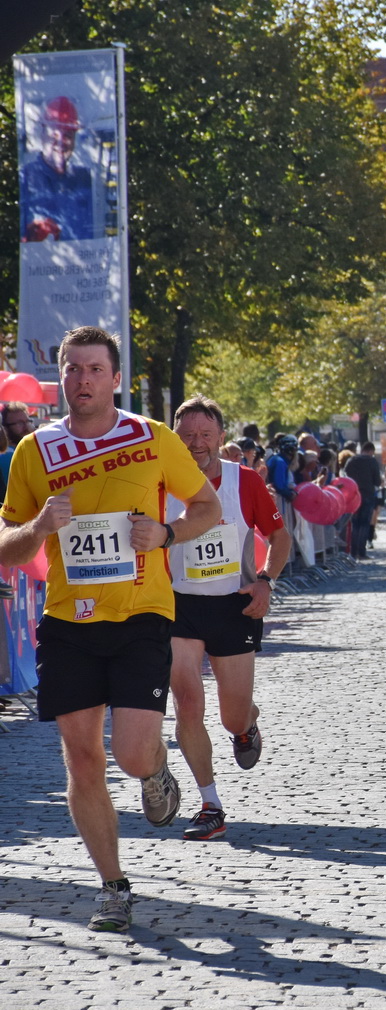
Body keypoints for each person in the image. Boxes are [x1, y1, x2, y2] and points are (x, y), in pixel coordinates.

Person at [0, 326, 222, 932]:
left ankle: (154, 767)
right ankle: (113, 886)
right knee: (81, 758)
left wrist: (168, 533)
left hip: (141, 615)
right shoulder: (34, 451)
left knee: (129, 753)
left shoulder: (152, 438)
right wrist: (40, 527)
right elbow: (8, 546)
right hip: (68, 622)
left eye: (95, 369)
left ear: (116, 379)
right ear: (61, 377)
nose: (83, 380)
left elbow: (207, 507)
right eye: (72, 369)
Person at [165, 396, 293, 842]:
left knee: (231, 716)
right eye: (188, 435)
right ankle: (210, 804)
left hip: (233, 604)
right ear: (174, 438)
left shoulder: (244, 481)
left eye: (206, 434)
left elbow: (279, 537)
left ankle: (246, 724)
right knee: (186, 702)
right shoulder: (160, 480)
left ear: (221, 437)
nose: (197, 443)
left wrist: (265, 581)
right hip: (179, 605)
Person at [20, 95, 95, 242]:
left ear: (74, 140)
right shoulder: (25, 177)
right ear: (42, 135)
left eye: (67, 135)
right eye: (54, 134)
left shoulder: (84, 178)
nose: (60, 142)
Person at [342, 440, 384, 558]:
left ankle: (353, 552)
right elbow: (377, 481)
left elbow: (345, 475)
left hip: (353, 495)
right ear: (371, 451)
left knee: (355, 523)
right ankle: (361, 552)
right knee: (364, 523)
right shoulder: (372, 461)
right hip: (368, 495)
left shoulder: (351, 460)